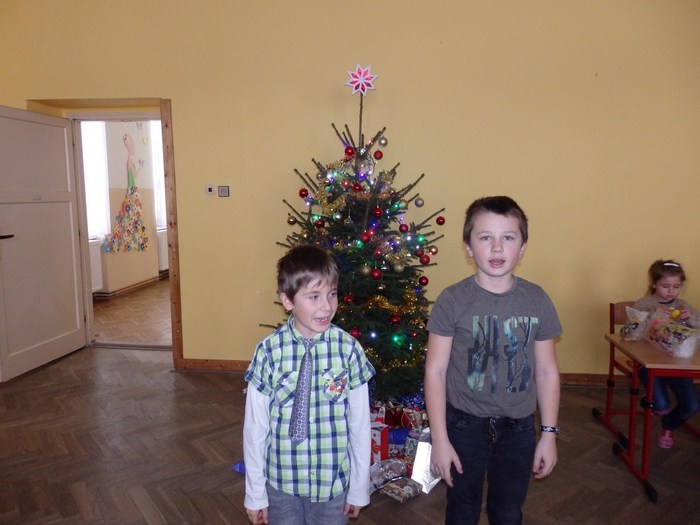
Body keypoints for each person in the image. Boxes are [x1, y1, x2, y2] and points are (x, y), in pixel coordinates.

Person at [424, 196, 562, 525]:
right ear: (469, 247)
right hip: (464, 426)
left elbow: (547, 371)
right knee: (462, 510)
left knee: (508, 512)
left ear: (522, 246)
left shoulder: (537, 300)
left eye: (508, 237)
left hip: (518, 429)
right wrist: (440, 440)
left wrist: (548, 434)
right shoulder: (452, 300)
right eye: (485, 237)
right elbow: (435, 372)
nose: (497, 248)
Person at [243, 244, 376, 525]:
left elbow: (360, 424)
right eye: (314, 297)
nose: (326, 306)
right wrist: (255, 494)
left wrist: (359, 487)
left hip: (332, 487)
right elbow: (255, 429)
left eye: (332, 294)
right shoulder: (268, 352)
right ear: (287, 301)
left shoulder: (349, 350)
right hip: (281, 485)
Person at [633, 259, 700, 449]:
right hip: (648, 364)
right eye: (665, 286)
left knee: (692, 406)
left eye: (676, 287)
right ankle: (655, 404)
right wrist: (653, 314)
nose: (671, 291)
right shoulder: (644, 303)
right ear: (654, 284)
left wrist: (691, 318)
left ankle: (668, 425)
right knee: (661, 405)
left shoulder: (682, 305)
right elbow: (631, 332)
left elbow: (697, 329)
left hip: (677, 365)